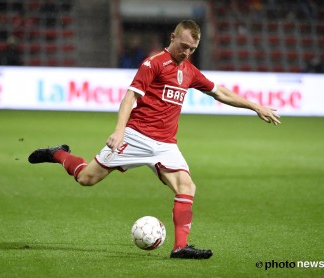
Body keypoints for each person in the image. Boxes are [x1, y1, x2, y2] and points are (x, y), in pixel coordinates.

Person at [28, 20, 281, 259]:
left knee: (187, 186)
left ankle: (180, 248)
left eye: (192, 49)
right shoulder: (154, 64)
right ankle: (58, 153)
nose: (186, 52)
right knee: (87, 179)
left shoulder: (189, 71)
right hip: (136, 136)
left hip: (166, 145)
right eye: (183, 46)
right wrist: (119, 130)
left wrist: (255, 106)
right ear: (172, 37)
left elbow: (220, 92)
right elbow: (130, 97)